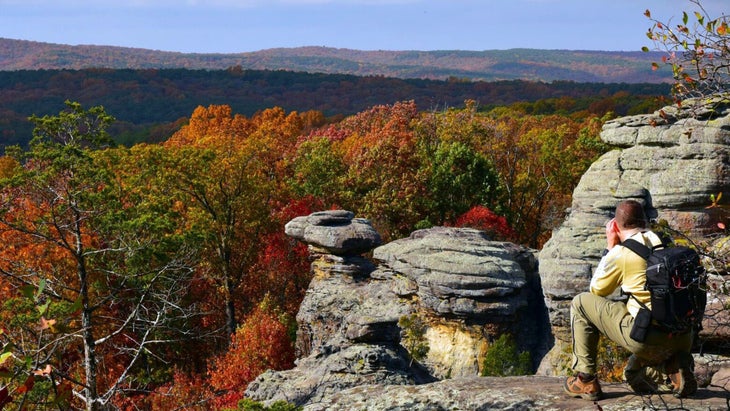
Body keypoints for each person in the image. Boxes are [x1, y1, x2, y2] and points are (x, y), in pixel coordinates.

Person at [563, 200, 697, 401]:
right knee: (633, 376)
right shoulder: (666, 241)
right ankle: (672, 371)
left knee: (581, 303)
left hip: (647, 336)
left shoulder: (623, 253)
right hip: (684, 335)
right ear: (645, 221)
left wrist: (610, 249)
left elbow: (597, 290)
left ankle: (585, 379)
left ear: (615, 226)